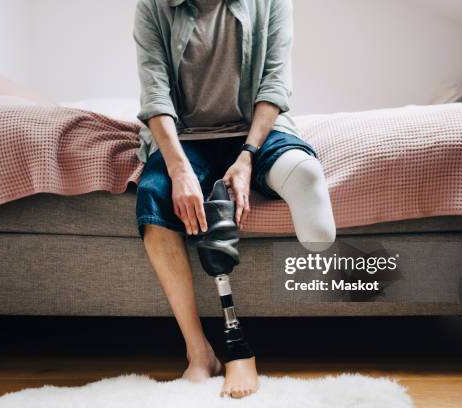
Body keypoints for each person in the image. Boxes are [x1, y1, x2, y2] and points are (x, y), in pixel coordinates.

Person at [133, 0, 336, 398]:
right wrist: (177, 170)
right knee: (154, 201)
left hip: (254, 129)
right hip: (184, 136)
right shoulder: (154, 5)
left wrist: (246, 157)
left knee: (295, 163)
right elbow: (154, 92)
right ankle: (200, 352)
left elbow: (274, 83)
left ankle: (298, 176)